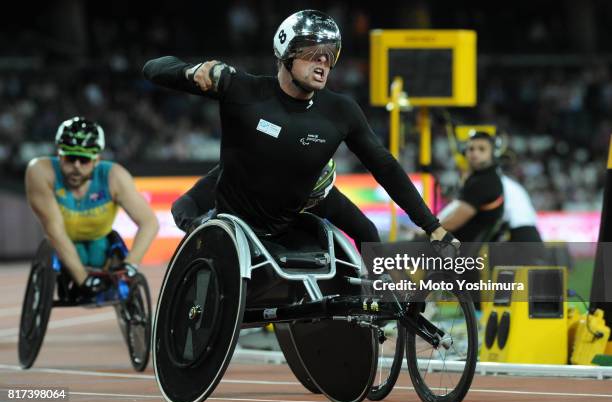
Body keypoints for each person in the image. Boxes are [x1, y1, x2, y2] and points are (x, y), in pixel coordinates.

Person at [143, 10, 456, 252]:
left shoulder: (341, 111)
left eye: (330, 54)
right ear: (286, 53)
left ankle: (378, 309)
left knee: (363, 239)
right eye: (313, 53)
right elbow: (153, 68)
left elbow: (385, 167)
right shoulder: (242, 88)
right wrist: (191, 70)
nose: (323, 60)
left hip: (290, 225)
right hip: (232, 228)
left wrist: (433, 227)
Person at [25, 117, 159, 296]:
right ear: (59, 155)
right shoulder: (40, 171)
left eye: (84, 160)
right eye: (70, 158)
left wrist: (130, 265)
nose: (76, 166)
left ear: (97, 159)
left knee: (97, 255)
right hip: (65, 241)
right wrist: (83, 280)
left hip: (100, 241)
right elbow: (54, 231)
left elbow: (149, 222)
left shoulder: (114, 177)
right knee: (75, 254)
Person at [171, 161, 382, 250]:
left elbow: (366, 231)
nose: (302, 204)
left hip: (289, 241)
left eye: (310, 201)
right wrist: (195, 227)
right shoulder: (242, 170)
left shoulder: (325, 198)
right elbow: (184, 204)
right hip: (243, 237)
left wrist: (384, 286)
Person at [437, 130, 504, 242]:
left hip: (454, 249)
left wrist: (427, 230)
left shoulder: (484, 182)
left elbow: (453, 223)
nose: (475, 153)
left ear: (492, 154)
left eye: (482, 149)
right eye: (471, 149)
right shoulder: (482, 177)